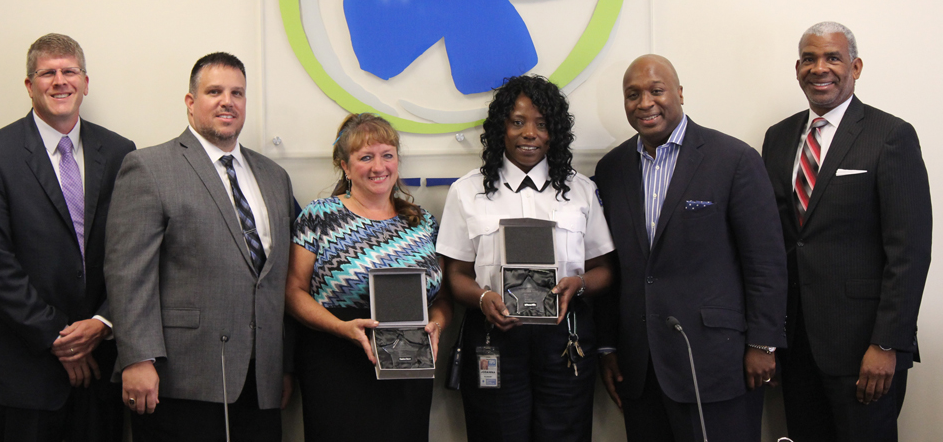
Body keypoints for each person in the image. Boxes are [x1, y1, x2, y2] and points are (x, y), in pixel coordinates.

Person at [104, 52, 296, 442]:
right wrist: (137, 359)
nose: (228, 101)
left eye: (237, 93)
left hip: (261, 381)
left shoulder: (274, 177)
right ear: (191, 103)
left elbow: (278, 280)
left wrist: (283, 365)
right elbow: (128, 275)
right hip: (179, 378)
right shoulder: (149, 167)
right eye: (214, 91)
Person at [594, 54, 786, 442]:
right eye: (633, 95)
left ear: (680, 93)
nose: (645, 102)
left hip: (717, 362)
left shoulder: (733, 160)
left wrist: (763, 344)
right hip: (640, 365)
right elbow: (612, 265)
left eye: (656, 90)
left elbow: (765, 262)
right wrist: (608, 347)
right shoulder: (611, 170)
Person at [761, 22, 932, 442]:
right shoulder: (778, 139)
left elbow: (909, 252)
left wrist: (887, 344)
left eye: (832, 57)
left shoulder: (890, 135)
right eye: (809, 58)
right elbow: (777, 244)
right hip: (797, 348)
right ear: (797, 68)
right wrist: (768, 340)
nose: (820, 68)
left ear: (855, 66)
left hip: (864, 351)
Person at [0, 33, 135, 442]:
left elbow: (134, 252)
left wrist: (102, 322)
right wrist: (60, 339)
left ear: (86, 83)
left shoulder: (120, 152)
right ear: (29, 85)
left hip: (103, 361)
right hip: (25, 368)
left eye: (69, 71)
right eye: (47, 73)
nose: (60, 81)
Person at [437, 75, 614, 442]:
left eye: (541, 124)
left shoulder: (582, 191)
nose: (529, 133)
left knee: (565, 434)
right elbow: (455, 273)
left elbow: (604, 269)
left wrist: (578, 284)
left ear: (555, 133)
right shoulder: (467, 191)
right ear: (501, 127)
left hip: (565, 338)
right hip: (494, 337)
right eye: (518, 122)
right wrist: (483, 298)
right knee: (496, 433)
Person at [285, 113, 451, 442]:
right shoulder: (320, 216)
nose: (379, 166)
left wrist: (438, 325)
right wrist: (341, 327)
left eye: (387, 155)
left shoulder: (422, 222)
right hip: (337, 359)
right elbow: (293, 292)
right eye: (366, 157)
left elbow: (442, 298)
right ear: (345, 167)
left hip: (408, 362)